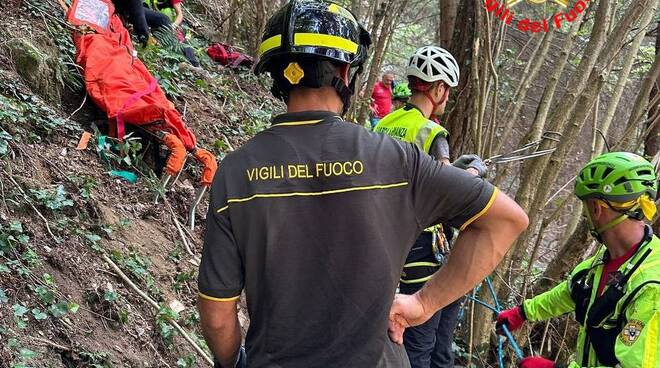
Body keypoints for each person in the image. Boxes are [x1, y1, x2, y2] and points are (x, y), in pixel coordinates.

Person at [197, 1, 528, 367]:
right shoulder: (398, 159)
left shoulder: (235, 172)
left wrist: (231, 362)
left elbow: (216, 314)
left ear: (275, 73)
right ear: (345, 69)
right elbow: (506, 220)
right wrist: (423, 303)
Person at [376, 45, 487, 368]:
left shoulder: (384, 124)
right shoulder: (433, 132)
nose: (447, 97)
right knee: (427, 344)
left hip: (388, 238)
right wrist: (473, 174)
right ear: (438, 88)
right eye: (447, 90)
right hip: (424, 245)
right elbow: (445, 195)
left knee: (423, 341)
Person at [496, 152, 659, 368]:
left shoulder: (651, 288)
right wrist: (523, 312)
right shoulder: (603, 263)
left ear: (597, 208)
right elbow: (571, 291)